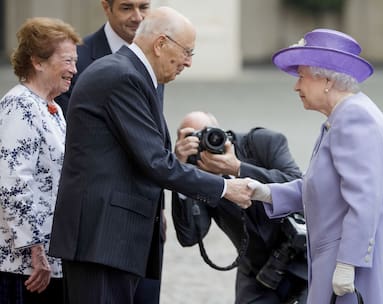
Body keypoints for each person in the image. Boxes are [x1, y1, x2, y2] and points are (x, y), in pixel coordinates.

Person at [48, 7, 253, 304]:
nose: (189, 62)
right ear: (160, 44)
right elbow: (156, 161)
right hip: (102, 242)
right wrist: (224, 187)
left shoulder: (132, 73)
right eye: (187, 52)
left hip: (114, 241)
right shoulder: (122, 76)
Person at [247, 28, 383, 303]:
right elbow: (325, 188)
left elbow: (364, 198)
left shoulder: (354, 118)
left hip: (359, 264)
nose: (296, 86)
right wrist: (265, 192)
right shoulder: (343, 115)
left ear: (325, 79)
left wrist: (348, 264)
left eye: (301, 76)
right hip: (349, 254)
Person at [172, 111, 308, 303]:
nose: (202, 144)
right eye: (192, 138)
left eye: (206, 134)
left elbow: (298, 187)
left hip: (303, 262)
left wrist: (237, 168)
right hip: (256, 272)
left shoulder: (262, 142)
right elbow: (189, 237)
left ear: (220, 131)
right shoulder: (197, 176)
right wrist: (181, 173)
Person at [0, 17, 81, 303]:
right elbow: (13, 184)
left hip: (49, 258)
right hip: (25, 266)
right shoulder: (20, 106)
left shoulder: (52, 109)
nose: (74, 69)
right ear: (37, 62)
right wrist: (35, 250)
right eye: (67, 61)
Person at [55, 0, 156, 115]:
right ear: (106, 7)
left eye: (144, 7)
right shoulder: (76, 60)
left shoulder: (156, 55)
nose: (137, 18)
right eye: (126, 8)